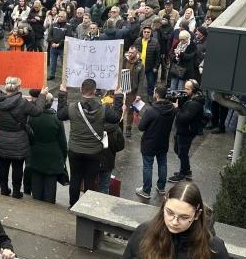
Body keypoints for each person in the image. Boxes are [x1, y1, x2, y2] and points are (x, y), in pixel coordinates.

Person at [57, 78, 121, 206]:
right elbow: (116, 118)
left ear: (81, 90)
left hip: (75, 150)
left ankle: (73, 205)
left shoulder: (72, 108)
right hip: (94, 152)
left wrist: (62, 94)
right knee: (90, 180)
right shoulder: (103, 110)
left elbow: (60, 115)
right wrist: (118, 97)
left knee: (75, 178)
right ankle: (87, 207)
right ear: (95, 91)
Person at [0, 77, 47, 199]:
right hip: (18, 141)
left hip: (1, 138)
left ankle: (4, 189)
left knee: (3, 164)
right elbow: (38, 111)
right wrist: (42, 95)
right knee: (17, 166)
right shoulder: (23, 103)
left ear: (5, 87)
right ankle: (16, 191)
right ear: (19, 88)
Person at [26, 90, 66, 203]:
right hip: (53, 156)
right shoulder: (57, 119)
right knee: (50, 184)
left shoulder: (32, 117)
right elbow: (62, 141)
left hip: (36, 152)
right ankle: (49, 206)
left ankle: (37, 204)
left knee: (36, 180)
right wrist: (63, 157)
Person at [136, 86, 176, 199]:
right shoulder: (172, 109)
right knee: (162, 164)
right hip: (163, 142)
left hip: (149, 143)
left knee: (147, 166)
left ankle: (146, 190)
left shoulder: (151, 110)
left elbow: (141, 127)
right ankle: (161, 187)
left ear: (157, 95)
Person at [169, 80, 205, 183]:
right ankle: (187, 170)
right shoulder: (191, 98)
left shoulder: (194, 104)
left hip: (187, 131)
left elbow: (183, 118)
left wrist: (176, 109)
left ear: (193, 90)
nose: (184, 90)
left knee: (182, 152)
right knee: (179, 151)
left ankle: (183, 173)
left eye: (187, 89)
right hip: (184, 130)